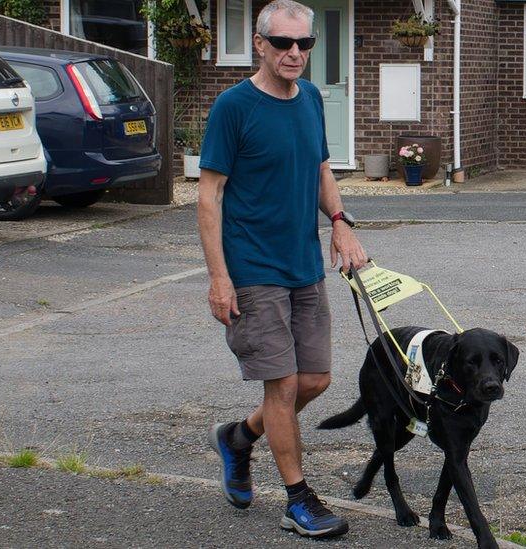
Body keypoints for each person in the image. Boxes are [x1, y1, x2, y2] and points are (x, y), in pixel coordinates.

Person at [196, 0, 367, 539]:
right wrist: (219, 277)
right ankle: (300, 499)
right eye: (284, 43)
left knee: (316, 379)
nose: (296, 53)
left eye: (305, 44)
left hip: (303, 265)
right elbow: (209, 196)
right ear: (261, 44)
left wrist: (339, 221)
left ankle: (239, 437)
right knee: (284, 385)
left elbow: (320, 167)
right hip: (252, 268)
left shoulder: (311, 99)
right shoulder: (233, 107)